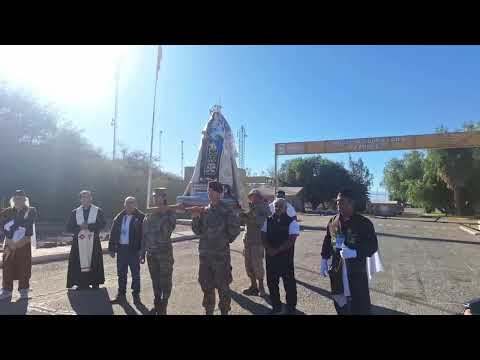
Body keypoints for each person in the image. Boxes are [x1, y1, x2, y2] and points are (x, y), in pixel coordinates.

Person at [320, 189, 380, 315]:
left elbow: (372, 245)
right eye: (337, 202)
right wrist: (324, 259)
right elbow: (328, 240)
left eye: (341, 202)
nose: (338, 205)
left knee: (360, 304)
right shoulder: (333, 221)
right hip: (337, 270)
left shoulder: (364, 223)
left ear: (351, 203)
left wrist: (355, 252)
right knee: (339, 301)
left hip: (356, 270)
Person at [191, 180, 240, 315]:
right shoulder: (204, 210)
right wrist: (195, 218)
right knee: (206, 286)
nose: (209, 193)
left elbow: (234, 230)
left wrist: (224, 241)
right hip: (205, 257)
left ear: (219, 193)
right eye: (208, 191)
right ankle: (209, 310)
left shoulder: (226, 210)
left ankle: (224, 311)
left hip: (221, 257)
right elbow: (198, 231)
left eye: (212, 191)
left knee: (223, 287)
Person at [261, 198, 300, 315]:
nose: (277, 208)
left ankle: (291, 308)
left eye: (280, 206)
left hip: (285, 258)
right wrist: (268, 249)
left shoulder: (291, 221)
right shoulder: (267, 220)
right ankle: (276, 307)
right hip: (270, 257)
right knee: (272, 283)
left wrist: (276, 250)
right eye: (276, 206)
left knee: (289, 284)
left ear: (285, 208)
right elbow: (263, 235)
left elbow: (292, 239)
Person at [142, 188, 176, 315]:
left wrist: (162, 212)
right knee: (155, 280)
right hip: (151, 253)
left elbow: (167, 230)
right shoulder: (149, 213)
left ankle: (164, 305)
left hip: (164, 254)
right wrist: (142, 252)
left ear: (164, 198)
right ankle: (157, 304)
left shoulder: (169, 213)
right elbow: (144, 234)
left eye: (159, 197)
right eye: (154, 197)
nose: (156, 199)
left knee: (165, 281)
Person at [0, 190, 37, 301]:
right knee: (7, 266)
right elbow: (3, 226)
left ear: (25, 200)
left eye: (20, 198)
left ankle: (24, 290)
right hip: (9, 243)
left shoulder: (31, 211)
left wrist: (17, 244)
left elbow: (28, 227)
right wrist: (10, 242)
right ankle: (6, 290)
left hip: (24, 242)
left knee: (24, 267)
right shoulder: (7, 211)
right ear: (13, 199)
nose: (18, 200)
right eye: (16, 198)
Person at [66, 190, 106, 290]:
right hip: (79, 242)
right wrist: (80, 227)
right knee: (79, 261)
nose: (85, 199)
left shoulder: (97, 210)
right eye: (83, 197)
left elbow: (102, 224)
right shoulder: (75, 212)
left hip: (93, 241)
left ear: (91, 198)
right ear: (80, 199)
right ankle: (81, 283)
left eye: (87, 197)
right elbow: (69, 227)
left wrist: (89, 226)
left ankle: (95, 282)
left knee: (94, 260)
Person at [108, 196, 145, 304]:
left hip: (134, 250)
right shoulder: (119, 217)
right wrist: (111, 248)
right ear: (124, 205)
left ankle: (136, 295)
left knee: (135, 274)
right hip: (121, 250)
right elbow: (113, 232)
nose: (129, 205)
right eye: (127, 203)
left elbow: (144, 235)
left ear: (136, 205)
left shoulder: (141, 217)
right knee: (121, 273)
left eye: (132, 203)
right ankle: (121, 295)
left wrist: (142, 251)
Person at [239, 189, 270, 297]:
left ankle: (261, 287)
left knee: (257, 265)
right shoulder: (249, 207)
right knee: (248, 265)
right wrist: (242, 213)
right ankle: (253, 286)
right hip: (247, 240)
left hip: (258, 241)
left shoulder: (263, 207)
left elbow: (259, 222)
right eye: (251, 196)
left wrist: (248, 214)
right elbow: (242, 218)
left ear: (260, 197)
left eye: (255, 196)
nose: (253, 198)